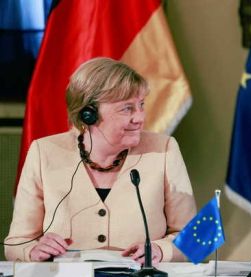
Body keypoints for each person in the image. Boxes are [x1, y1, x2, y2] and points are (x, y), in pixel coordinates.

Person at [5, 57, 196, 264]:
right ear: (89, 114)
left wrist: (161, 250)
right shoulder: (44, 152)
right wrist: (33, 251)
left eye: (141, 105)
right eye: (127, 109)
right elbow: (17, 243)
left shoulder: (164, 150)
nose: (140, 117)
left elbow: (192, 238)